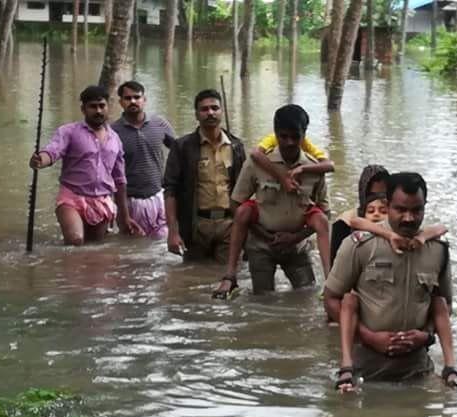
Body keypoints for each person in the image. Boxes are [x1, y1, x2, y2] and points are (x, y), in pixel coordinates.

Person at [324, 172, 457, 391]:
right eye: (401, 210)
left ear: (425, 206)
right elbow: (331, 300)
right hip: (365, 372)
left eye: (416, 210)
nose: (408, 218)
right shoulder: (359, 246)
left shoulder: (437, 250)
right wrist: (369, 337)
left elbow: (444, 306)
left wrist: (425, 336)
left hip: (417, 369)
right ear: (388, 206)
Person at [213, 104, 330, 297]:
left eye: (295, 137)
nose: (290, 142)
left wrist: (295, 238)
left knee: (307, 296)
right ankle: (230, 276)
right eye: (283, 136)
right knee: (262, 301)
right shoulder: (256, 164)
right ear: (275, 134)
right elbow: (235, 205)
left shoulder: (314, 168)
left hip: (297, 247)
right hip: (261, 246)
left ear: (304, 135)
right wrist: (264, 235)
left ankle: (331, 284)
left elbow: (324, 214)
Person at [29, 85, 143, 245]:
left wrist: (124, 218)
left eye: (102, 106)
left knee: (94, 248)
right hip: (71, 197)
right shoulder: (69, 132)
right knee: (76, 241)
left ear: (108, 107)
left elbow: (120, 180)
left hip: (101, 201)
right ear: (83, 109)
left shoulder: (115, 139)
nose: (98, 111)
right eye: (93, 107)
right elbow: (53, 151)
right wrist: (41, 160)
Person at [163, 89, 246, 262]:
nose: (210, 113)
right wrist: (173, 231)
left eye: (215, 108)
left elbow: (245, 188)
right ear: (196, 114)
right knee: (193, 278)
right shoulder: (182, 147)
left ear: (222, 112)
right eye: (204, 109)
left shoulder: (236, 146)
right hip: (196, 226)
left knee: (227, 275)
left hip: (228, 225)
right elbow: (170, 190)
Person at [111, 80, 175, 239]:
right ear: (121, 102)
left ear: (144, 100)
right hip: (130, 201)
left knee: (162, 246)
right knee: (133, 246)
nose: (133, 101)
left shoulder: (159, 124)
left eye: (136, 97)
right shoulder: (113, 132)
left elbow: (179, 152)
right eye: (128, 98)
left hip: (158, 196)